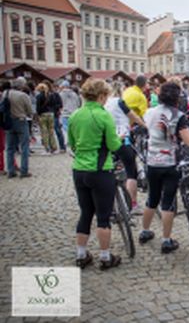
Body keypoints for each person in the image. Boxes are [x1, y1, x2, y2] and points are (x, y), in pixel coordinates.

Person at [138, 82, 189, 253]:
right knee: (168, 202)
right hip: (170, 162)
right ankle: (166, 240)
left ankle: (144, 231)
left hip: (152, 161)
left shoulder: (149, 112)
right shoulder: (178, 115)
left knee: (152, 198)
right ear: (177, 97)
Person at [68, 78, 123, 270]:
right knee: (103, 216)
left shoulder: (75, 115)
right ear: (101, 96)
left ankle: (81, 255)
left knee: (85, 213)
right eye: (106, 96)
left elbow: (72, 144)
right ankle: (106, 257)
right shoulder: (103, 115)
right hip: (100, 170)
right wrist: (120, 139)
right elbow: (113, 145)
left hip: (79, 170)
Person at [105, 82, 146, 215]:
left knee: (108, 172)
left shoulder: (103, 104)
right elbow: (133, 116)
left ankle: (110, 207)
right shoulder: (119, 102)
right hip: (123, 140)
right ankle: (133, 204)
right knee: (131, 172)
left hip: (108, 141)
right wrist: (144, 125)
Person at [3, 78, 33, 178]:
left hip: (8, 121)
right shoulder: (23, 95)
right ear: (22, 86)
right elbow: (29, 110)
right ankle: (24, 170)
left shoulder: (5, 93)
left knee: (10, 148)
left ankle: (10, 170)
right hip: (20, 120)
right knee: (24, 146)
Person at [36, 83, 58, 154]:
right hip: (51, 114)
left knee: (44, 132)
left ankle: (47, 148)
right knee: (51, 131)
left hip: (43, 114)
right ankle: (54, 147)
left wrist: (38, 114)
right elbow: (54, 105)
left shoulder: (39, 96)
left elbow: (38, 107)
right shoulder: (51, 95)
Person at [45, 80, 66, 153]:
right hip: (48, 114)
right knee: (49, 132)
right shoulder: (44, 95)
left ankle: (62, 147)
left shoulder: (55, 94)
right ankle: (52, 147)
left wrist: (55, 109)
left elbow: (60, 104)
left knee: (57, 131)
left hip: (54, 114)